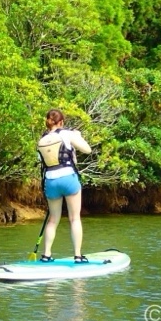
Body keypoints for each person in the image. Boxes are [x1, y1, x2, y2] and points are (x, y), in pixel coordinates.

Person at [37, 108, 92, 263]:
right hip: (68, 178)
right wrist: (77, 136)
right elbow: (87, 150)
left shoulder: (41, 140)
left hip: (51, 181)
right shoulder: (66, 134)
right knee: (74, 218)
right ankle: (78, 256)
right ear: (61, 122)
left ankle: (46, 255)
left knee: (53, 220)